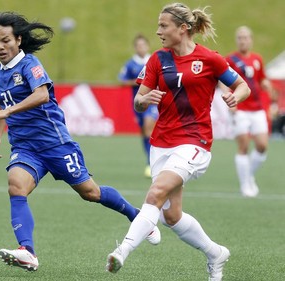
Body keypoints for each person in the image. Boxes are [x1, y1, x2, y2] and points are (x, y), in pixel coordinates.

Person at [0, 12, 160, 272]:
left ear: (18, 39)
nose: (0, 47)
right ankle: (27, 251)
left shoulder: (30, 64)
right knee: (16, 187)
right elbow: (1, 100)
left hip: (55, 144)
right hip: (25, 147)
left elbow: (41, 95)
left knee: (91, 193)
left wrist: (7, 112)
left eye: (5, 40)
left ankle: (138, 216)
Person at [106, 3, 250, 281]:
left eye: (163, 26)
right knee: (171, 216)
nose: (158, 31)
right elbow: (139, 100)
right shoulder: (157, 60)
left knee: (155, 194)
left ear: (183, 29)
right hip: (161, 142)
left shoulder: (210, 59)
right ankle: (216, 253)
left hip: (195, 142)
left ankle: (121, 251)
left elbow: (240, 85)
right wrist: (143, 99)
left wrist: (237, 97)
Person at [225, 26, 272, 197]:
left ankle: (248, 175)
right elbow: (223, 81)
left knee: (262, 146)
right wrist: (230, 99)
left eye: (245, 37)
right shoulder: (230, 59)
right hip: (240, 109)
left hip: (257, 109)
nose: (242, 40)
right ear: (237, 40)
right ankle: (245, 184)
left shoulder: (257, 59)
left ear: (251, 40)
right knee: (243, 146)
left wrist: (265, 83)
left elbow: (261, 79)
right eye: (240, 37)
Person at [119, 34, 159, 178]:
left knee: (149, 129)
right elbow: (122, 81)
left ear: (147, 46)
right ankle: (149, 160)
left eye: (143, 45)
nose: (141, 48)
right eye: (138, 45)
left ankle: (152, 163)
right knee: (143, 132)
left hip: (152, 101)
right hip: (138, 101)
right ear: (135, 48)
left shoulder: (154, 60)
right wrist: (140, 82)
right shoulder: (131, 64)